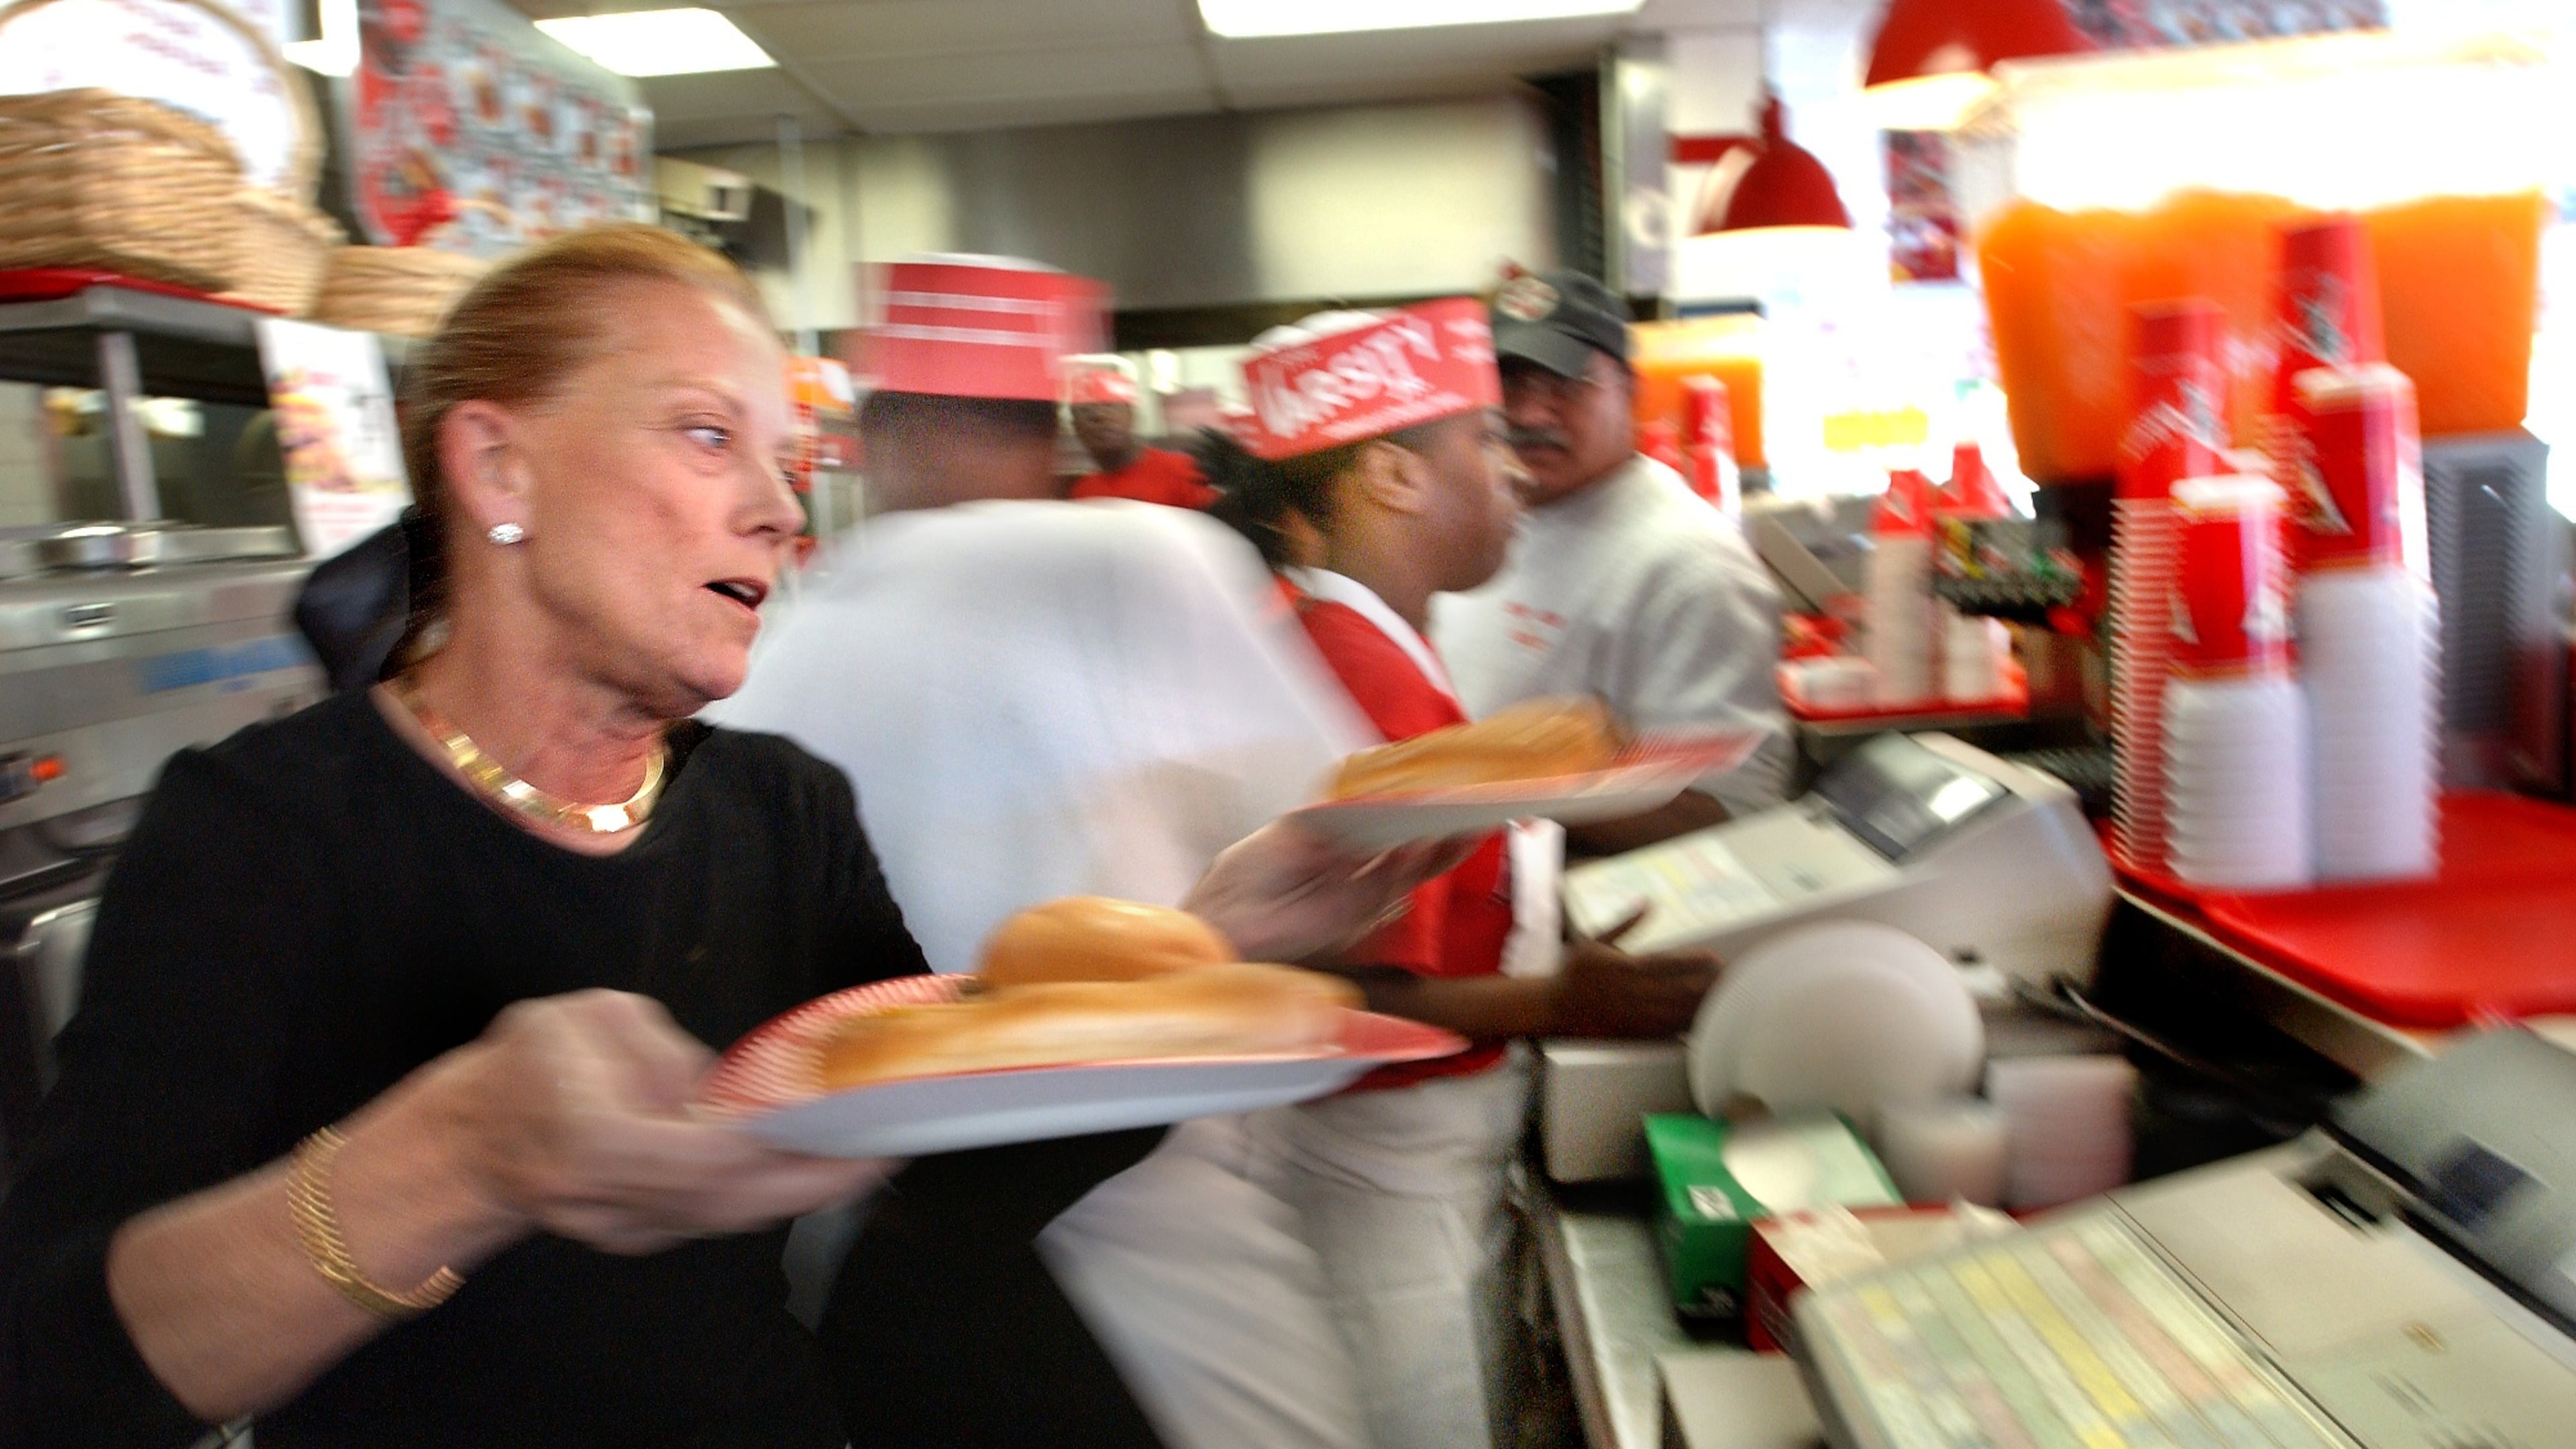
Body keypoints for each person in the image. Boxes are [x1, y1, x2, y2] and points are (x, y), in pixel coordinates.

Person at [0, 227, 1442, 1449]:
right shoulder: (268, 830)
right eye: (706, 435)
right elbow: (58, 1370)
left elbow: (944, 1176)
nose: (781, 505)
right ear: (498, 473)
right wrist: (463, 1153)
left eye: (789, 453)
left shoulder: (776, 805)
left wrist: (1198, 951)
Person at [717, 255, 1390, 1449]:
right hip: (1143, 1252)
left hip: (866, 1270)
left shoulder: (776, 633)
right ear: (1053, 432)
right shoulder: (1142, 563)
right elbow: (1343, 840)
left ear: (877, 429)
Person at [1203, 304, 1723, 1449]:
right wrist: (1557, 999)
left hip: (1389, 1185)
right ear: (1392, 475)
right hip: (1381, 1200)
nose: (1512, 474)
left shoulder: (1363, 642)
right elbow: (1335, 997)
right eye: (1483, 444)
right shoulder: (1360, 675)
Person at [1434, 269, 1792, 855]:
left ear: (1630, 390)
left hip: (1590, 922)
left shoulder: (1690, 565)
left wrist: (1484, 792)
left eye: (1566, 384)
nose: (1529, 414)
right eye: (1511, 382)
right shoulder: (1491, 521)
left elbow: (1726, 812)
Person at [1067, 358, 1217, 508]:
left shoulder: (1181, 471)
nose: (1100, 416)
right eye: (1087, 411)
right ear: (1076, 428)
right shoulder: (1084, 493)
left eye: (1110, 406)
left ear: (1131, 416)